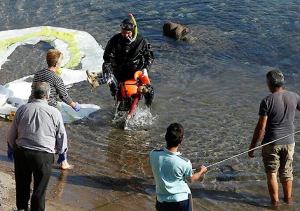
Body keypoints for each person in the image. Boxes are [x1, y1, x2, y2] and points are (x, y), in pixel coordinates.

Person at [7, 82, 69, 211]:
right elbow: (61, 135)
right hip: (44, 156)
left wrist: (11, 146)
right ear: (47, 96)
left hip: (23, 153)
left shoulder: (23, 109)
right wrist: (62, 153)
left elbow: (12, 133)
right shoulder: (55, 113)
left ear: (34, 94)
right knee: (39, 189)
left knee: (22, 185)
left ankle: (22, 209)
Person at [248, 70, 300, 207]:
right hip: (289, 143)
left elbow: (260, 128)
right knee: (287, 172)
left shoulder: (266, 101)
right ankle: (288, 201)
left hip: (272, 143)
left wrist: (252, 146)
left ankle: (275, 204)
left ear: (269, 84)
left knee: (272, 173)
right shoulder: (294, 96)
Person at [29, 49, 79, 169]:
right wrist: (74, 106)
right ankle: (63, 161)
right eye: (60, 62)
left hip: (32, 104)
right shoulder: (56, 78)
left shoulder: (38, 74)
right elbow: (64, 96)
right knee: (60, 133)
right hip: (48, 107)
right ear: (57, 64)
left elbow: (33, 89)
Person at [86, 14, 154, 102]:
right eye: (123, 32)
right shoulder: (114, 41)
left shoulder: (141, 41)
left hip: (136, 73)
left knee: (146, 93)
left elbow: (150, 57)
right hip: (118, 73)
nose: (125, 35)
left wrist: (145, 68)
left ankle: (145, 109)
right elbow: (107, 60)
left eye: (128, 33)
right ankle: (103, 78)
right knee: (118, 96)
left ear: (133, 31)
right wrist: (108, 73)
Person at [149, 123, 207, 211]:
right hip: (181, 201)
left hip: (161, 201)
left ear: (166, 137)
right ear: (181, 140)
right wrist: (201, 171)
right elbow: (191, 179)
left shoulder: (153, 154)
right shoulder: (185, 162)